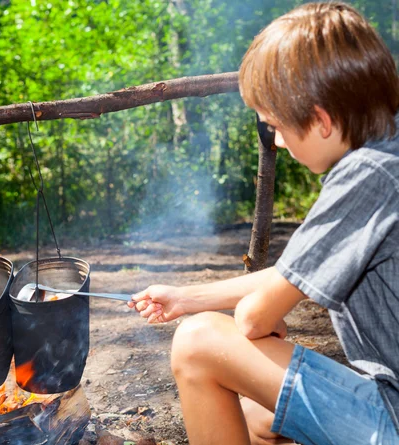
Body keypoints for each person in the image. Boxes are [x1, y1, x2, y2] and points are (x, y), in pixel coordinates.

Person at [128, 3, 399, 444]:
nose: (274, 138)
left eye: (274, 124)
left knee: (198, 344)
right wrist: (185, 297)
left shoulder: (366, 175)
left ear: (321, 120)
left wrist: (253, 318)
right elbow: (299, 272)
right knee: (256, 414)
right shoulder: (390, 148)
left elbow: (256, 319)